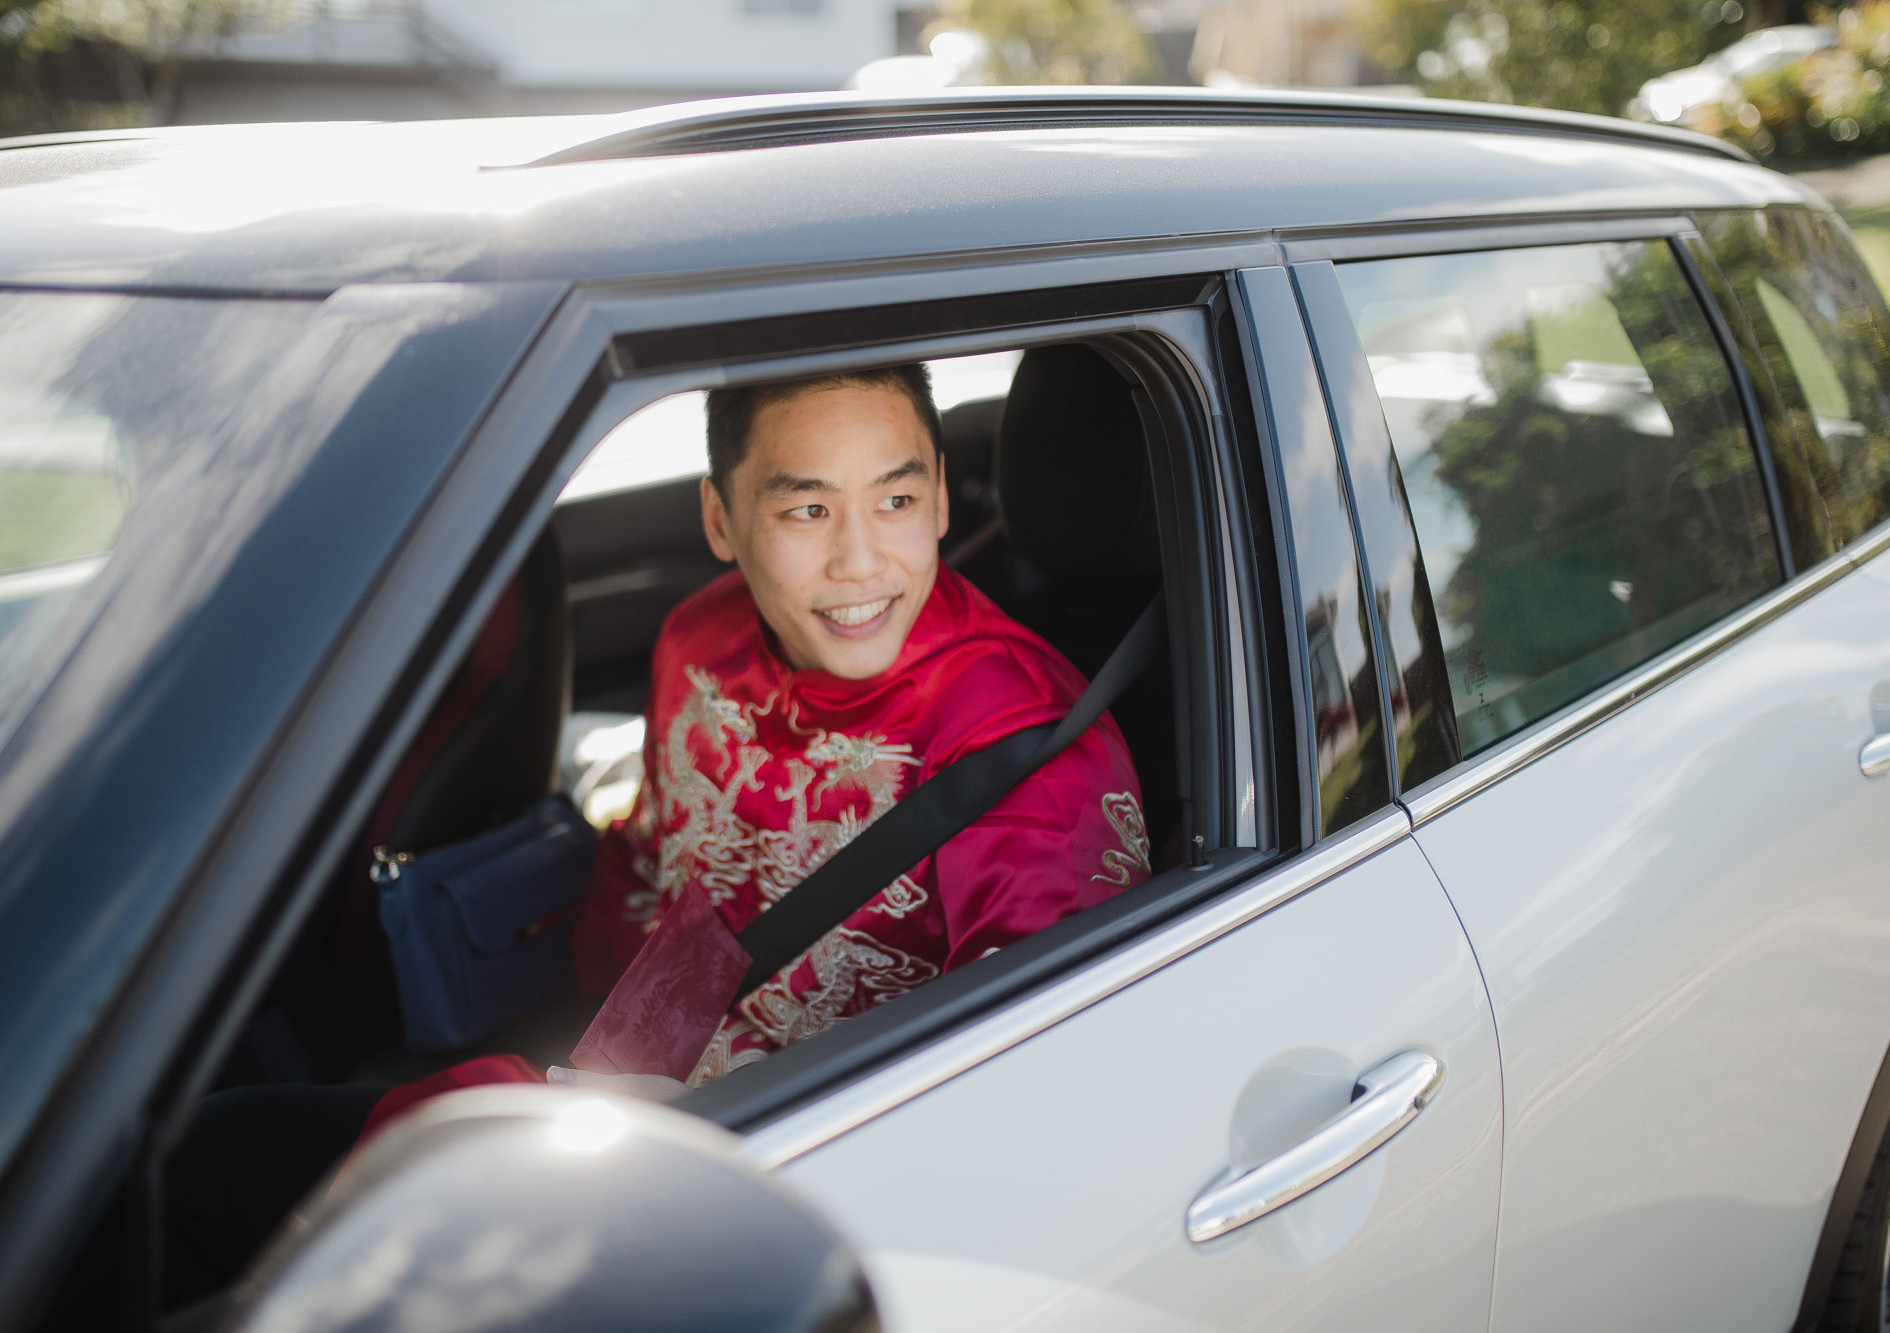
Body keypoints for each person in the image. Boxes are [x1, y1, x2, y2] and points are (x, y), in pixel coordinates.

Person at [161, 363, 1150, 1308]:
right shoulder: (699, 637)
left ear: (939, 497)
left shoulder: (1022, 758)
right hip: (617, 1090)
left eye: (893, 501)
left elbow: (1035, 1109)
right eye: (805, 508)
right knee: (204, 1161)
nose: (859, 560)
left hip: (783, 1186)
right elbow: (646, 869)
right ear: (720, 520)